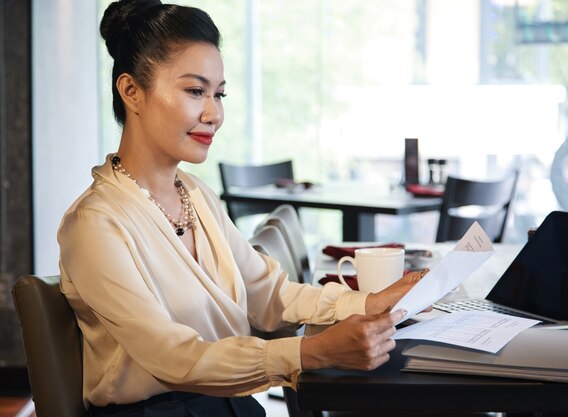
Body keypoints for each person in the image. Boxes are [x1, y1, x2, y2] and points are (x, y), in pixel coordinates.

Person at [58, 1, 428, 416]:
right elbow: (172, 358)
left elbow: (268, 295)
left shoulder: (195, 195)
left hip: (230, 406)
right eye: (195, 91)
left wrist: (368, 303)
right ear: (131, 92)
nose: (214, 114)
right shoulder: (94, 224)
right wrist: (311, 353)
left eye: (219, 94)